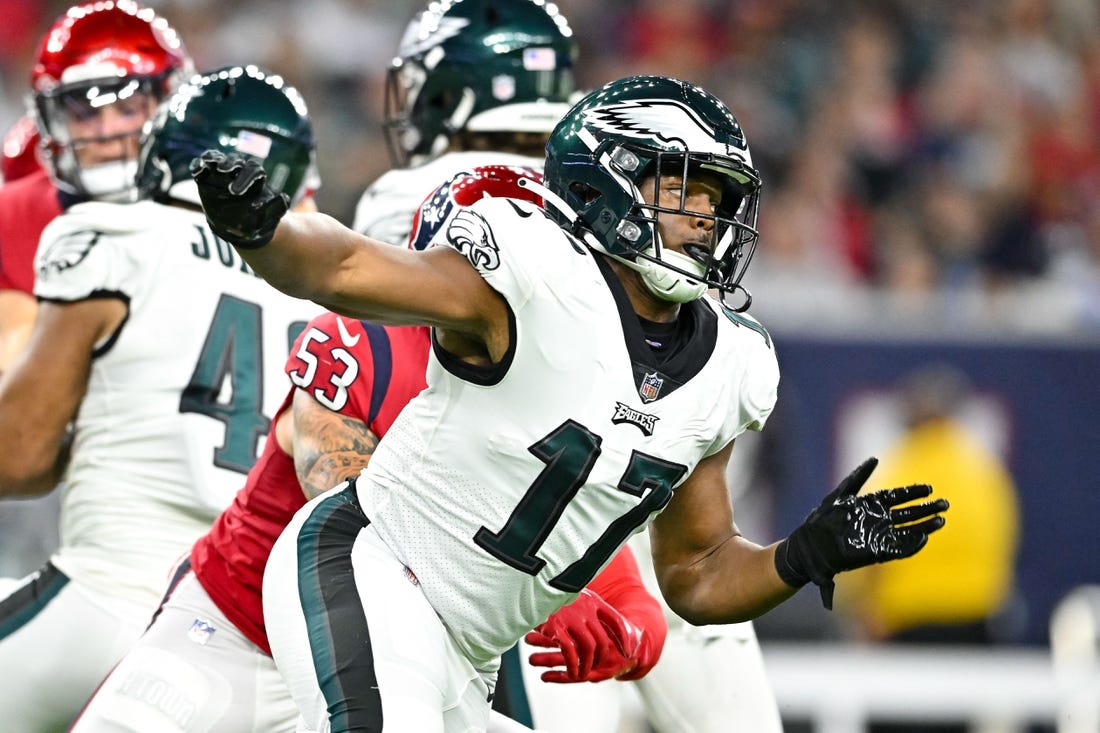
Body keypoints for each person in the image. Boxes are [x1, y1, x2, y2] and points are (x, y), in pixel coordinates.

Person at [191, 73, 950, 733]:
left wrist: (801, 555)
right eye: (683, 186)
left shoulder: (730, 364)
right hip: (373, 567)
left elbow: (698, 572)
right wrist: (269, 232)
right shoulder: (530, 272)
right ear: (607, 181)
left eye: (717, 196)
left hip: (472, 648)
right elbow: (352, 265)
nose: (704, 216)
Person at [70, 163, 667, 732]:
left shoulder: (557, 393)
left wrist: (625, 640)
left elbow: (630, 595)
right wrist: (537, 590)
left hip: (413, 676)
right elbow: (356, 511)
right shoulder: (362, 338)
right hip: (235, 636)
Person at [356, 3, 782, 730]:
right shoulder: (648, 184)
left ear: (449, 88)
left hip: (523, 539)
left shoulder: (426, 198)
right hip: (662, 519)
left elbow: (374, 377)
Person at [0, 64, 324, 733]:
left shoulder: (113, 237)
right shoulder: (331, 293)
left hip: (104, 600)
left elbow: (17, 455)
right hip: (245, 644)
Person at [0, 0, 194, 375]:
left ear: (168, 105)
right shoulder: (15, 215)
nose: (107, 133)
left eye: (128, 108)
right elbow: (15, 376)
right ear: (52, 120)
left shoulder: (215, 202)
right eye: (85, 114)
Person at [835, 363, 1020, 733]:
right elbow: (1003, 547)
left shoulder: (901, 470)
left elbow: (870, 552)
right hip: (973, 632)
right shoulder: (985, 473)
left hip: (906, 632)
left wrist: (861, 610)